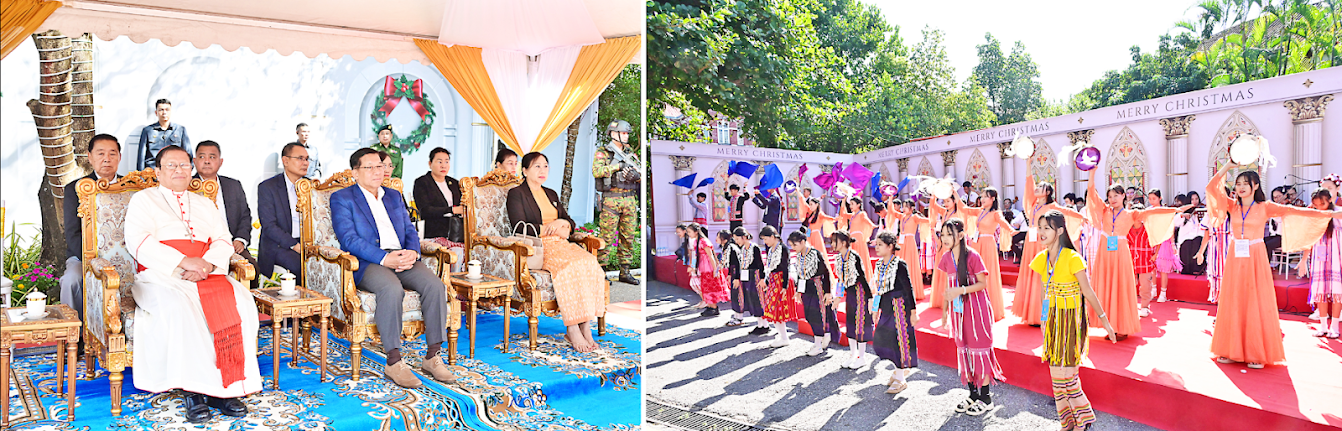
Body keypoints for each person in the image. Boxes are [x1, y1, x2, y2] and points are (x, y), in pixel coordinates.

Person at [124, 146, 259, 423]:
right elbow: (138, 241)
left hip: (207, 272)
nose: (178, 171)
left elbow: (223, 238)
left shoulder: (204, 203)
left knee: (243, 303)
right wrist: (184, 262)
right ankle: (193, 391)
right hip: (161, 275)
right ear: (157, 172)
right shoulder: (143, 199)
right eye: (171, 166)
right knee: (181, 307)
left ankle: (225, 387)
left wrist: (207, 264)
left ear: (191, 168)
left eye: (184, 165)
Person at [330, 148, 454, 387]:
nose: (378, 171)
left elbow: (409, 229)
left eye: (380, 166)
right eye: (370, 167)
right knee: (391, 288)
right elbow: (349, 240)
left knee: (435, 285)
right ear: (355, 173)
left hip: (402, 256)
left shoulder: (394, 195)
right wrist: (385, 259)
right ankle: (394, 361)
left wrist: (413, 252)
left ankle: (433, 356)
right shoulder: (343, 198)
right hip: (369, 261)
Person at [1205, 164, 1342, 368]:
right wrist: (1229, 166)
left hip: (1256, 255)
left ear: (1256, 185)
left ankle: (1255, 352)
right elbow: (1211, 187)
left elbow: (1295, 211)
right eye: (1238, 183)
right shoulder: (1232, 205)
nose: (1241, 187)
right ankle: (1230, 348)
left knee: (1255, 300)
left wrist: (1328, 215)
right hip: (1235, 255)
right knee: (1234, 298)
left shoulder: (1265, 206)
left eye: (1246, 183)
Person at [507, 152, 610, 353]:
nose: (542, 170)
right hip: (539, 246)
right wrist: (550, 227)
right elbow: (519, 226)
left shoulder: (551, 194)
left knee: (590, 263)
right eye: (536, 166)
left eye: (545, 166)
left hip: (562, 243)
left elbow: (569, 222)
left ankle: (585, 326)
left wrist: (562, 223)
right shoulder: (516, 193)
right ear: (525, 170)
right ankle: (572, 327)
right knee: (567, 268)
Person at [1031, 209, 1116, 431]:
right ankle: (1068, 420)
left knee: (1067, 374)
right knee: (1055, 374)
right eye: (1039, 227)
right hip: (1053, 320)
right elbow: (1043, 291)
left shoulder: (1072, 257)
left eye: (1046, 228)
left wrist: (1105, 321)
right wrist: (1044, 320)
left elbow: (1088, 292)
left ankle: (1083, 416)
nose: (1041, 232)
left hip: (1070, 321)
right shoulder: (1041, 258)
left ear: (1059, 231)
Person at [1082, 169, 1186, 339]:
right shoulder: (1104, 210)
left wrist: (1174, 211)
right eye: (1110, 196)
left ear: (1123, 196)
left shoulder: (1132, 214)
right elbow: (1092, 194)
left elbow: (1152, 212)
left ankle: (1121, 326)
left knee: (1120, 286)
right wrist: (1092, 172)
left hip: (1121, 252)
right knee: (1105, 284)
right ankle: (1108, 324)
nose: (1113, 199)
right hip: (1105, 252)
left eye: (1116, 195)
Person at [938, 218, 1004, 416]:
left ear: (960, 235)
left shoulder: (973, 256)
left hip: (976, 308)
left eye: (949, 234)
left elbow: (983, 283)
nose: (945, 238)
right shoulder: (946, 258)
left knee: (979, 350)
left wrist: (962, 289)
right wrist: (944, 311)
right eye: (942, 234)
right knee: (965, 350)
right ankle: (973, 394)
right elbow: (947, 288)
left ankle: (986, 398)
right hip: (958, 312)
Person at [60, 134, 122, 321]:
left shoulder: (131, 187)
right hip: (84, 256)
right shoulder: (76, 189)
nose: (106, 159)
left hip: (126, 254)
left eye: (112, 153)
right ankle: (73, 336)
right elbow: (72, 233)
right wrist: (94, 259)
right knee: (71, 280)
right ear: (89, 156)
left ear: (119, 157)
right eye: (100, 153)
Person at [1013, 175, 1085, 326]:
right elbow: (1028, 185)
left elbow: (1067, 212)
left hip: (1042, 242)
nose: (1037, 188)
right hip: (1030, 241)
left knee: (1042, 276)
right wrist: (1027, 162)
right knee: (1030, 274)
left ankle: (1041, 314)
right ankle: (1030, 313)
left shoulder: (1052, 207)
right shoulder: (1032, 204)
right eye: (1037, 186)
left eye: (1041, 187)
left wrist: (1083, 217)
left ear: (1047, 192)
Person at [192, 141, 254, 284]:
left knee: (252, 269)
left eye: (212, 157)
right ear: (194, 161)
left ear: (220, 162)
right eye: (202, 157)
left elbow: (245, 216)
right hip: (200, 248)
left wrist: (240, 239)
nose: (207, 161)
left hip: (232, 245)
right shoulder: (188, 187)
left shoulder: (233, 185)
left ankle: (244, 305)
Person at [593, 120, 641, 284]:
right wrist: (617, 167)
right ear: (614, 134)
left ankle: (625, 272)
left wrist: (637, 177)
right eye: (624, 133)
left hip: (629, 199)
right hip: (611, 200)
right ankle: (601, 272)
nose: (626, 136)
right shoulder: (603, 152)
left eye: (627, 133)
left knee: (628, 237)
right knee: (606, 238)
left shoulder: (630, 153)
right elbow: (597, 171)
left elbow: (640, 173)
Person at [870, 231, 918, 395]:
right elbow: (878, 289)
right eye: (876, 244)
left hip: (899, 307)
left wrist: (913, 311)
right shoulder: (878, 265)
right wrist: (875, 309)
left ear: (890, 247)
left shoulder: (899, 264)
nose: (876, 248)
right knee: (882, 339)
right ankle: (900, 370)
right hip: (886, 306)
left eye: (880, 245)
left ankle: (900, 378)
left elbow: (908, 288)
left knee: (898, 342)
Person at [959, 188, 1017, 321]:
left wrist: (1011, 230)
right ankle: (974, 305)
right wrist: (954, 193)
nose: (983, 199)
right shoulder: (979, 211)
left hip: (988, 244)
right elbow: (964, 209)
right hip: (976, 243)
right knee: (973, 272)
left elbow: (1003, 222)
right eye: (982, 196)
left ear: (993, 199)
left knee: (987, 273)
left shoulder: (996, 213)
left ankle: (989, 306)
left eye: (986, 196)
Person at [256, 143, 309, 279]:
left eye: (307, 159)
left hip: (307, 242)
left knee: (331, 263)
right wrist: (294, 245)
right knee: (302, 266)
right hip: (280, 244)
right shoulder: (268, 187)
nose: (305, 163)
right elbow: (269, 226)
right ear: (285, 161)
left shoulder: (311, 186)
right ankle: (303, 300)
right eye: (300, 158)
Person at [1297, 189, 1342, 338]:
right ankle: (1323, 326)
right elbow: (1308, 240)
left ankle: (1334, 326)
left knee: (1337, 292)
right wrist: (1304, 260)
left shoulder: (1338, 213)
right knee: (1321, 292)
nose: (1319, 207)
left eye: (1322, 203)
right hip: (1319, 259)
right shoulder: (1313, 216)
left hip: (1337, 257)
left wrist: (1326, 214)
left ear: (1330, 200)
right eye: (1316, 204)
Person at [789, 230, 840, 356]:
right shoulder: (799, 256)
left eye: (794, 245)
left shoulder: (815, 254)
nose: (793, 248)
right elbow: (800, 275)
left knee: (818, 314)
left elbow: (826, 273)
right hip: (806, 288)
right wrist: (798, 291)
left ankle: (818, 344)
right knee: (809, 314)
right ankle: (824, 336)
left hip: (818, 287)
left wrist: (828, 292)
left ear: (802, 242)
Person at [413, 148, 464, 268]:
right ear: (430, 164)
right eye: (439, 161)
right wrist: (451, 210)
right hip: (435, 232)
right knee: (456, 252)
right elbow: (425, 210)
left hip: (456, 233)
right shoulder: (422, 182)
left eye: (447, 161)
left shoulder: (455, 183)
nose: (443, 165)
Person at [832, 230, 873, 369]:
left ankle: (862, 357)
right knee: (850, 323)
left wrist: (870, 297)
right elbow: (840, 279)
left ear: (843, 243)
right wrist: (838, 296)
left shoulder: (854, 256)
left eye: (834, 241)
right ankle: (852, 355)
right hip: (849, 293)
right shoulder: (838, 258)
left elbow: (862, 277)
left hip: (860, 292)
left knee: (860, 323)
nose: (832, 244)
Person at [758, 226, 800, 347]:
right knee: (773, 309)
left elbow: (786, 268)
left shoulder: (783, 249)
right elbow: (769, 268)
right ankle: (782, 335)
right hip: (773, 280)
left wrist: (784, 286)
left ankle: (784, 337)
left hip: (780, 281)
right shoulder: (772, 249)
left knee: (777, 310)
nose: (765, 242)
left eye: (765, 239)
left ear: (772, 236)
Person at [727, 227, 768, 334]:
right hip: (747, 276)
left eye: (737, 239)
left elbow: (760, 264)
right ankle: (760, 324)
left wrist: (763, 278)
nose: (736, 242)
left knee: (759, 299)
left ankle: (764, 325)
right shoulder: (743, 249)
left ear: (744, 237)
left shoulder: (754, 248)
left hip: (756, 276)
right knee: (752, 300)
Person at [684, 222, 728, 316]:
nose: (688, 234)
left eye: (689, 231)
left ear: (696, 232)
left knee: (710, 287)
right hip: (702, 267)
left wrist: (715, 270)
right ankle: (710, 306)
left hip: (708, 267)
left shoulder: (703, 241)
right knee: (705, 287)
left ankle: (714, 307)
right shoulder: (697, 241)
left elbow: (711, 256)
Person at [136, 98, 191, 170]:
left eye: (167, 110)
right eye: (161, 110)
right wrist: (141, 176)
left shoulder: (180, 130)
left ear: (171, 112)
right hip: (152, 173)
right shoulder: (148, 130)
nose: (164, 112)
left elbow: (188, 154)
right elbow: (141, 156)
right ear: (156, 113)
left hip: (174, 172)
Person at [894, 199, 930, 300]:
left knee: (910, 264)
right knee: (900, 264)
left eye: (906, 206)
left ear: (912, 208)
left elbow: (927, 221)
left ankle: (912, 290)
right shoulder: (902, 217)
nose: (903, 208)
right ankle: (900, 289)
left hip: (909, 242)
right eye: (903, 206)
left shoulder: (914, 217)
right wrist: (891, 197)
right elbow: (891, 211)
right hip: (901, 242)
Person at [1127, 204, 1158, 315]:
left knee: (1145, 285)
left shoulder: (1148, 228)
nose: (1139, 217)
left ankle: (1144, 306)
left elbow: (1158, 239)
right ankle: (1131, 306)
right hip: (1130, 260)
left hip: (1145, 260)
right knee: (1130, 285)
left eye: (1141, 214)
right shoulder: (1127, 228)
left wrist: (1156, 254)